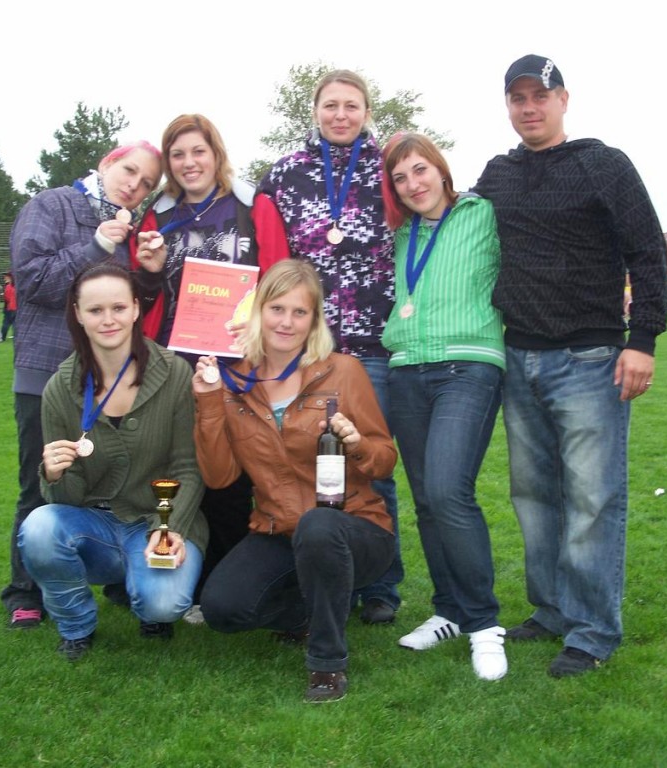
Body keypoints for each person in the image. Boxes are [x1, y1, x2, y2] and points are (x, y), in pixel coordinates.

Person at [474, 54, 667, 677]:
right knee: (534, 497)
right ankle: (553, 609)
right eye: (518, 98)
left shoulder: (603, 164)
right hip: (517, 356)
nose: (529, 107)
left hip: (590, 358)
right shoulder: (498, 173)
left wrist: (643, 340)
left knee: (592, 499)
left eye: (541, 95)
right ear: (508, 105)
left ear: (564, 99)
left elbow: (648, 251)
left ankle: (592, 631)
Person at [192, 259, 396, 703]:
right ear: (258, 312)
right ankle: (313, 608)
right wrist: (208, 402)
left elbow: (384, 462)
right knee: (222, 610)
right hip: (278, 530)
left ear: (314, 319)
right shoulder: (233, 383)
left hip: (354, 528)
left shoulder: (344, 371)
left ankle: (327, 663)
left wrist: (357, 442)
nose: (286, 322)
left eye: (299, 312)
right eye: (277, 309)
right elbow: (219, 477)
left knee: (318, 525)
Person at [256, 69, 403, 625]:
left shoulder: (388, 167)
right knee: (302, 460)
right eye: (331, 105)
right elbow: (264, 243)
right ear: (315, 110)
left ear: (367, 112)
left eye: (352, 105)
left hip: (373, 343)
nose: (341, 115)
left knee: (372, 465)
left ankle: (382, 586)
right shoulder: (286, 173)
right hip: (306, 347)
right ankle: (315, 574)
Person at [131, 115, 286, 622]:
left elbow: (279, 278)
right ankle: (170, 575)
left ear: (216, 154)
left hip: (239, 366)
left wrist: (260, 331)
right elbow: (140, 294)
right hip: (172, 365)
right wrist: (148, 271)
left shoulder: (253, 206)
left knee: (230, 478)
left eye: (198, 151)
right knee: (175, 471)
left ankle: (231, 582)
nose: (189, 162)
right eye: (178, 154)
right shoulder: (157, 216)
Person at [3, 141, 163, 630]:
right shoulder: (51, 204)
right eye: (129, 171)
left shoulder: (130, 225)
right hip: (47, 375)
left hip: (113, 379)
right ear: (106, 163)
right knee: (41, 481)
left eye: (146, 183)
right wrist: (96, 247)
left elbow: (128, 307)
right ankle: (24, 591)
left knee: (116, 481)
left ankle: (116, 578)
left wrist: (149, 275)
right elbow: (32, 280)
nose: (134, 186)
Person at [18, 262, 205, 660]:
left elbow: (188, 468)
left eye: (118, 308)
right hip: (93, 526)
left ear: (136, 308)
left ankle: (147, 602)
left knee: (163, 603)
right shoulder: (60, 388)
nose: (108, 320)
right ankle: (75, 625)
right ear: (78, 314)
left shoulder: (174, 373)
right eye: (95, 310)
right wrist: (54, 474)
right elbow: (66, 500)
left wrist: (169, 527)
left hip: (156, 518)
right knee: (38, 528)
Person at [379, 134, 507, 680]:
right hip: (407, 370)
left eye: (420, 170)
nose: (413, 185)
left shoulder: (482, 215)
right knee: (428, 502)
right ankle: (448, 610)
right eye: (400, 178)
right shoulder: (400, 234)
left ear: (441, 169)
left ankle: (484, 625)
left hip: (468, 366)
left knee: (450, 491)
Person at [0, 272, 16, 341]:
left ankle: (3, 337)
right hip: (17, 308)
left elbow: (6, 297)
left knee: (6, 322)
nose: (5, 278)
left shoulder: (8, 286)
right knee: (15, 323)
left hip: (10, 307)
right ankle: (16, 337)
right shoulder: (18, 286)